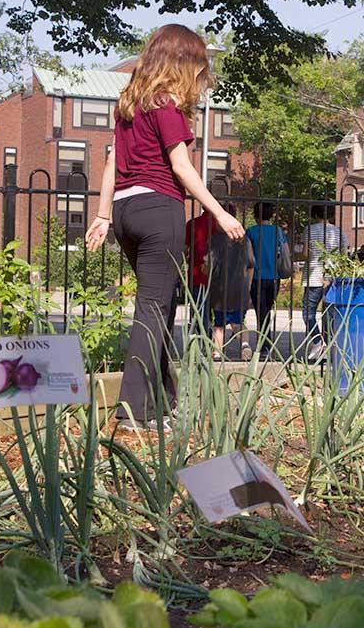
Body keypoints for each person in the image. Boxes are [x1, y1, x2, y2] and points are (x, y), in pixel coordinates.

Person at [84, 24, 244, 431]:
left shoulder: (128, 106)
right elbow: (181, 167)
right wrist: (220, 213)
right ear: (183, 63)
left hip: (124, 211)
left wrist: (103, 216)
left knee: (158, 307)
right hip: (157, 209)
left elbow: (109, 163)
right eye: (200, 66)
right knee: (153, 309)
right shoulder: (165, 106)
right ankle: (134, 411)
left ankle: (161, 401)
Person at [298, 203, 345, 360]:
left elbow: (305, 253)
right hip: (332, 278)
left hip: (313, 277)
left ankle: (318, 341)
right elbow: (344, 256)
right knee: (329, 315)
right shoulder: (339, 232)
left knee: (308, 313)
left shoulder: (309, 230)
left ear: (314, 214)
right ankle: (328, 347)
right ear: (331, 215)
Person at [209, 203, 254, 361]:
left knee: (219, 323)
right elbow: (250, 265)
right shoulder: (244, 239)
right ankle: (245, 345)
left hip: (220, 288)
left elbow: (210, 265)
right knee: (238, 320)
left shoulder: (215, 240)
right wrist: (248, 286)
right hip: (240, 286)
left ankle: (217, 352)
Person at [245, 202, 287, 356]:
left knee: (261, 312)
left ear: (255, 215)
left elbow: (248, 258)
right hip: (274, 277)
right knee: (267, 311)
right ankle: (266, 344)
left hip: (257, 277)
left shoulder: (250, 232)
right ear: (271, 215)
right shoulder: (278, 231)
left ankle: (264, 346)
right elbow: (285, 252)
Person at [185, 209, 214, 336]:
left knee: (199, 310)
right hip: (219, 275)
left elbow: (185, 248)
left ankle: (204, 339)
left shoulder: (192, 223)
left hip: (197, 272)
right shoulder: (219, 224)